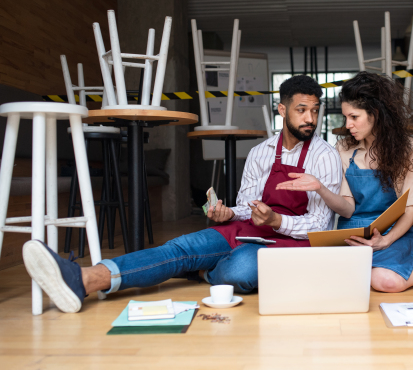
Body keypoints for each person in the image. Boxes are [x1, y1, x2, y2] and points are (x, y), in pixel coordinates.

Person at [22, 75, 342, 313]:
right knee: (181, 246)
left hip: (293, 243)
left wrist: (275, 220)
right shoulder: (261, 152)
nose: (311, 119)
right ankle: (85, 278)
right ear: (282, 109)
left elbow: (320, 226)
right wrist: (230, 212)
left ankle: (201, 269)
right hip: (248, 230)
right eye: (302, 110)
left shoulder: (324, 155)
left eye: (315, 110)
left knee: (238, 270)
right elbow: (248, 203)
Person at [276, 71, 413, 293]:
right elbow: (347, 209)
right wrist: (320, 188)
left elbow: (411, 209)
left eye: (354, 117)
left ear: (375, 113)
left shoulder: (409, 149)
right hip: (354, 233)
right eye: (345, 117)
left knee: (387, 281)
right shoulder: (343, 149)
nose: (347, 125)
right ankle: (404, 261)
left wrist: (386, 240)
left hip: (394, 232)